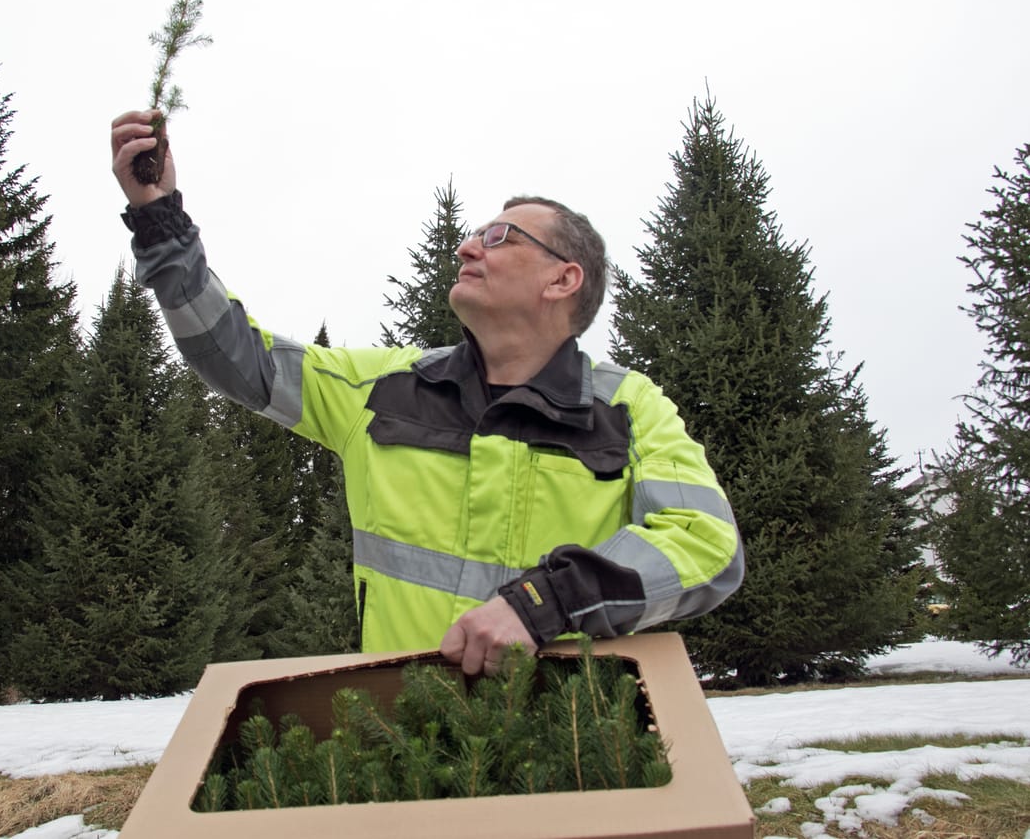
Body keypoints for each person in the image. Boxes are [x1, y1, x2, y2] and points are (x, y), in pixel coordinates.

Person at [110, 110, 744, 677]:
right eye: (474, 234)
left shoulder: (631, 408)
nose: (468, 246)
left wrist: (544, 604)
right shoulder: (383, 388)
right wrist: (160, 219)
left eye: (501, 238)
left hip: (567, 751)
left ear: (563, 278)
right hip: (401, 743)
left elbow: (706, 544)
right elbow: (237, 357)